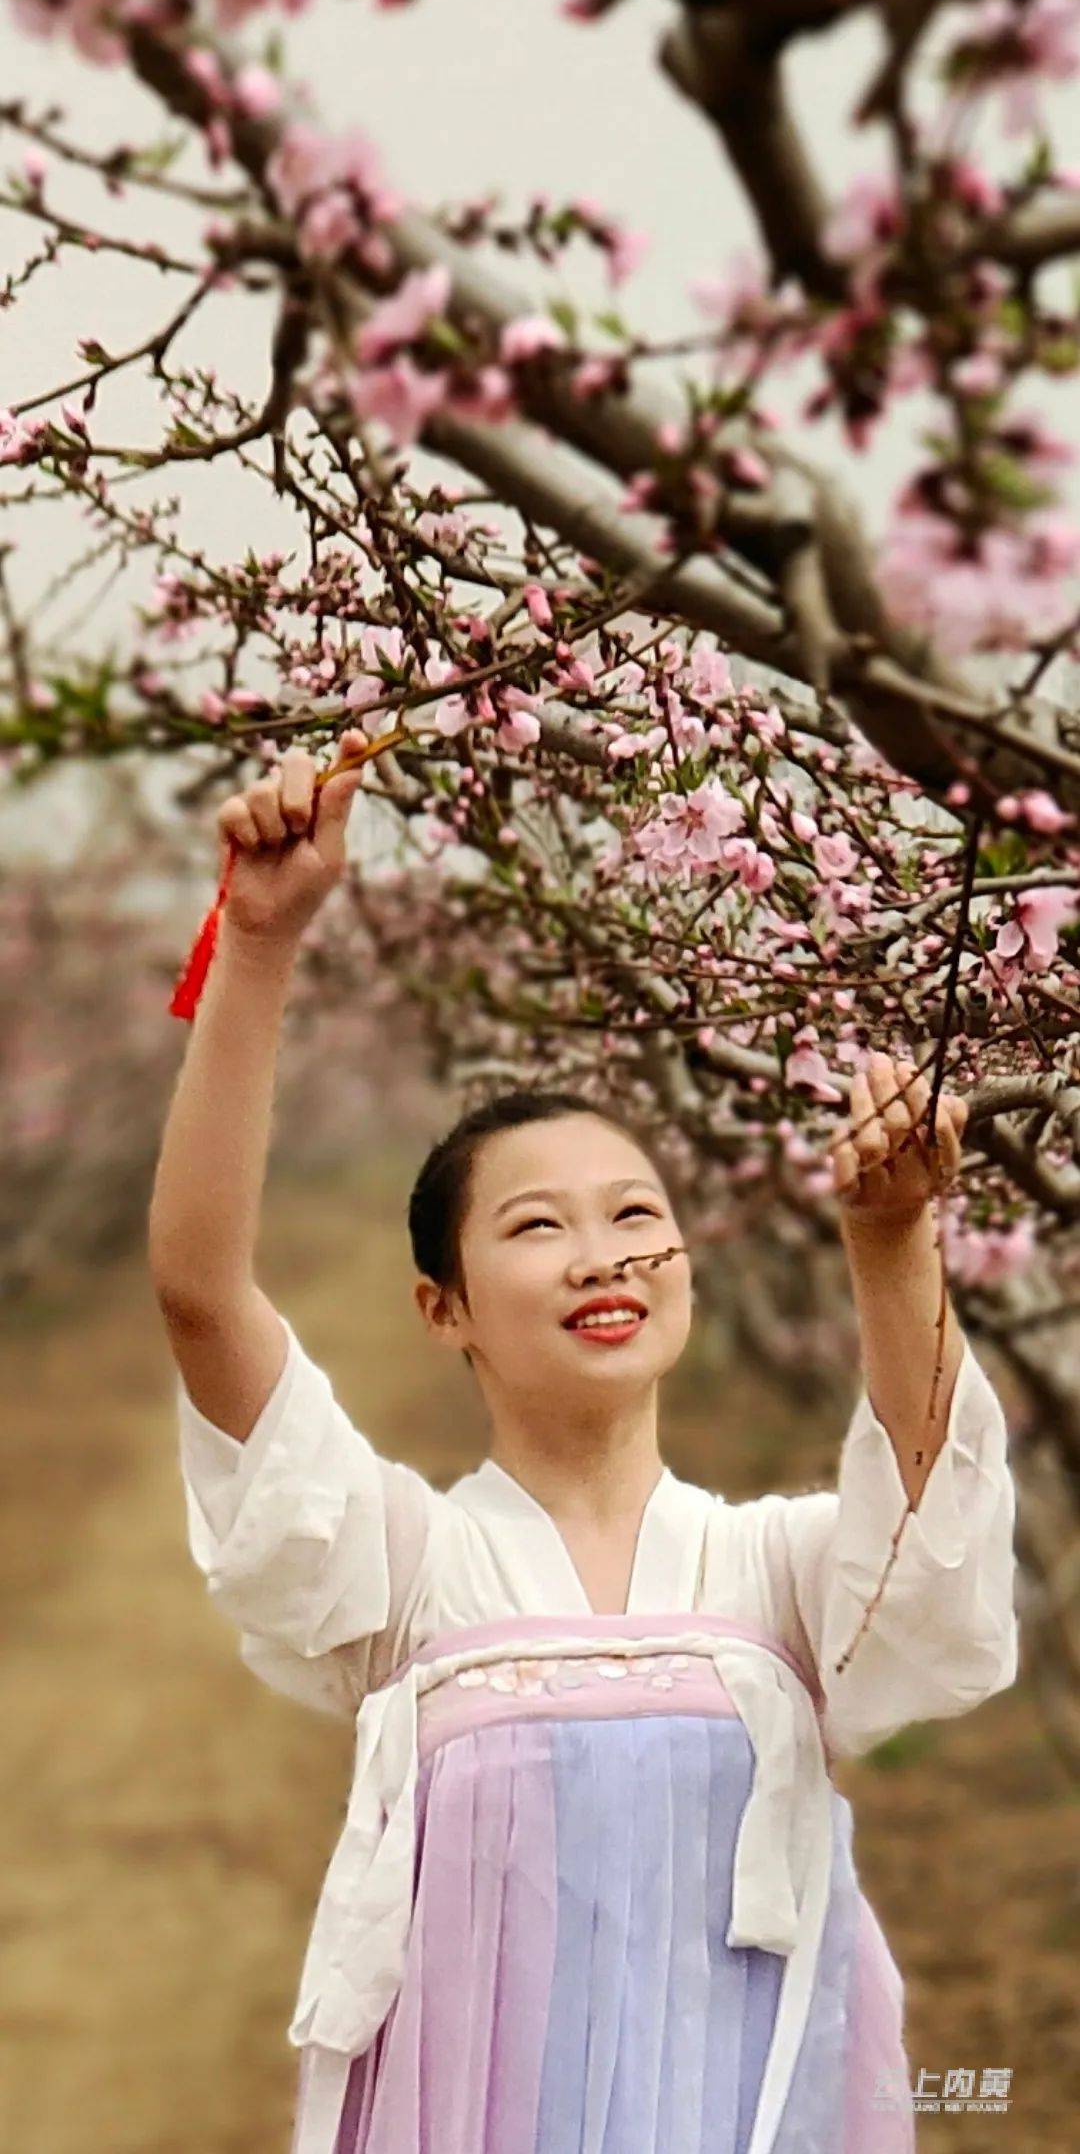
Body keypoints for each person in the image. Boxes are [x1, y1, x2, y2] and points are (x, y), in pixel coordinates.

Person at [150, 735, 1019, 2154]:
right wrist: (257, 945)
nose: (602, 1257)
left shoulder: (780, 1575)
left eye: (632, 1215)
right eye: (537, 1226)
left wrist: (892, 1238)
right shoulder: (407, 1573)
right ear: (444, 1309)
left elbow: (935, 1522)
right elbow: (201, 1293)